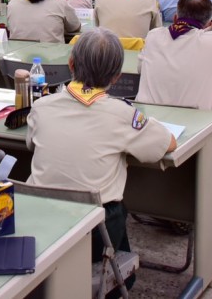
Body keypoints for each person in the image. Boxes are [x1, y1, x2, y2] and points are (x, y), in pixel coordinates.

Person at [27, 28, 176, 267]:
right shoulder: (122, 114)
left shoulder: (42, 106)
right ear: (116, 76)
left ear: (71, 63)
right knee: (116, 209)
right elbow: (167, 143)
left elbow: (30, 143)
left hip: (40, 218)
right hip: (96, 227)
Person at [136, 0, 212, 110]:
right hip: (194, 123)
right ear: (209, 24)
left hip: (147, 120)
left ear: (175, 17)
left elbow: (140, 69)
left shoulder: (153, 36)